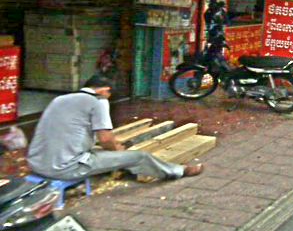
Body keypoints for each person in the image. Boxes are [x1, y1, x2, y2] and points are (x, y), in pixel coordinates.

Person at [27, 74, 204, 183]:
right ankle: (178, 171)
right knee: (139, 156)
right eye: (109, 95)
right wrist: (117, 150)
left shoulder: (59, 100)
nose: (109, 99)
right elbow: (105, 139)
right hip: (64, 169)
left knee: (99, 151)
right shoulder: (98, 101)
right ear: (105, 90)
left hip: (36, 164)